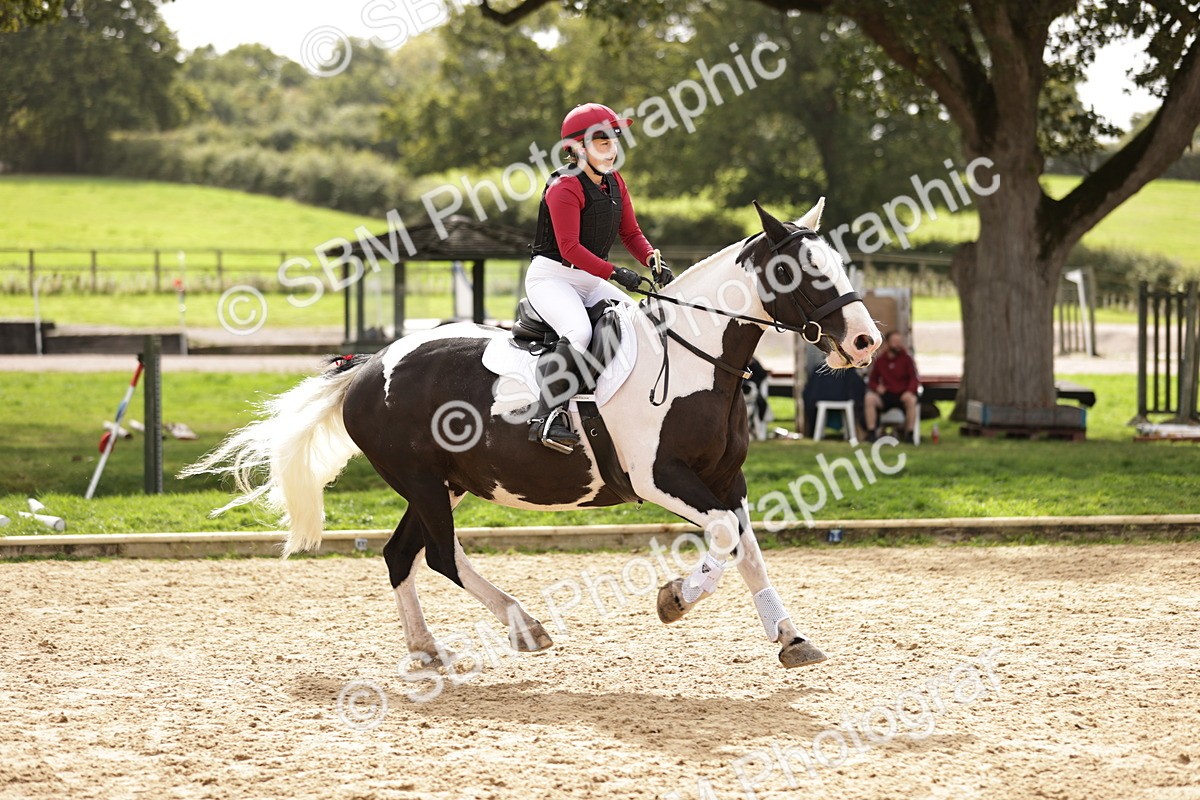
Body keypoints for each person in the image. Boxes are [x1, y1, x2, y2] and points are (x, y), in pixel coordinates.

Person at [524, 102, 673, 453]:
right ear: (577, 148)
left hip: (588, 278)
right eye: (602, 142)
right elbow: (570, 248)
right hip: (552, 277)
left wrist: (651, 258)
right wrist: (616, 273)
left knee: (641, 321)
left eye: (614, 140)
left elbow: (631, 233)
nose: (612, 149)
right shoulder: (564, 188)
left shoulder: (615, 181)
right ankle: (547, 415)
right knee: (579, 331)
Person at [865, 330, 919, 442]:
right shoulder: (880, 361)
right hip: (886, 395)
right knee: (869, 399)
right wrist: (877, 387)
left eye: (899, 341)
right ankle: (871, 433)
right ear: (888, 344)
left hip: (902, 394)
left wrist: (909, 391)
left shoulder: (907, 359)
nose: (897, 344)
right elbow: (872, 381)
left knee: (912, 400)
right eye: (895, 341)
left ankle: (909, 434)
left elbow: (914, 379)